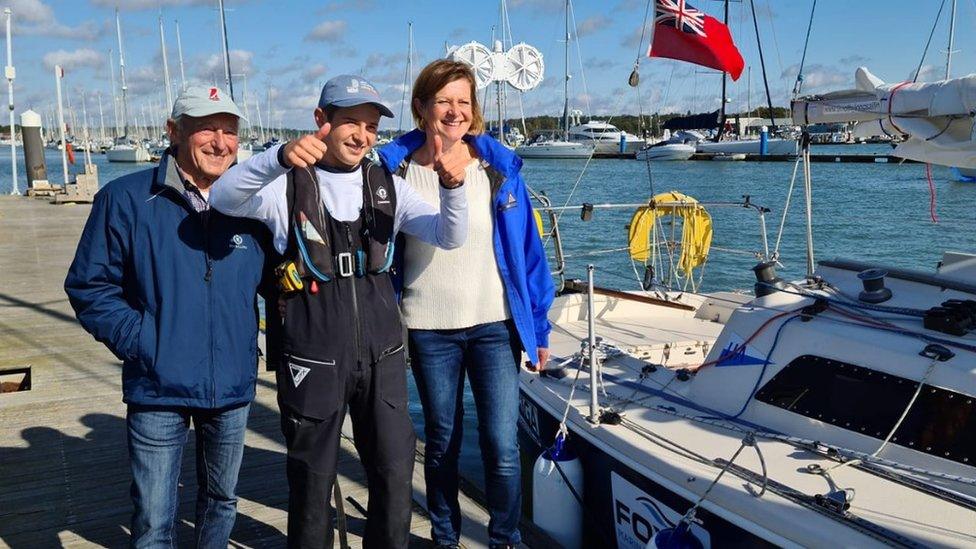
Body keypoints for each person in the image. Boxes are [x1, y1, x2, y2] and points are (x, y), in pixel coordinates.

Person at [208, 74, 469, 549]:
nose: (361, 136)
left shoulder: (387, 184)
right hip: (312, 357)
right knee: (312, 480)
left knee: (393, 474)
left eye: (370, 126)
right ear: (320, 121)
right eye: (350, 122)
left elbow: (449, 236)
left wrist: (453, 187)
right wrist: (276, 157)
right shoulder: (284, 187)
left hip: (384, 354)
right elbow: (221, 197)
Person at [64, 86, 269, 547]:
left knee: (222, 501)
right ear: (174, 131)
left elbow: (278, 284)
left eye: (230, 131)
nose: (221, 142)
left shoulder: (254, 205)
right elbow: (88, 286)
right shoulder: (125, 198)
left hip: (232, 386)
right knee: (154, 519)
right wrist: (143, 341)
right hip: (157, 387)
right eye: (206, 129)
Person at [377, 59, 554, 549]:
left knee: (501, 446)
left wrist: (539, 331)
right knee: (442, 443)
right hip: (428, 328)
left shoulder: (497, 170)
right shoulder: (395, 171)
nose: (454, 111)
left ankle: (504, 539)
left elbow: (529, 255)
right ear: (421, 108)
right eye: (443, 101)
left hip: (494, 326)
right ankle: (445, 537)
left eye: (463, 101)